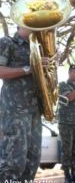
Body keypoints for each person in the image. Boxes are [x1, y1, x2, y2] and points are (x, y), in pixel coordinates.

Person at [0, 27, 44, 181]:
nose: (34, 27)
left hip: (35, 110)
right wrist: (30, 68)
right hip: (15, 109)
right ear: (19, 24)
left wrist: (49, 66)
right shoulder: (7, 42)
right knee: (14, 160)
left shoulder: (37, 48)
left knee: (33, 160)